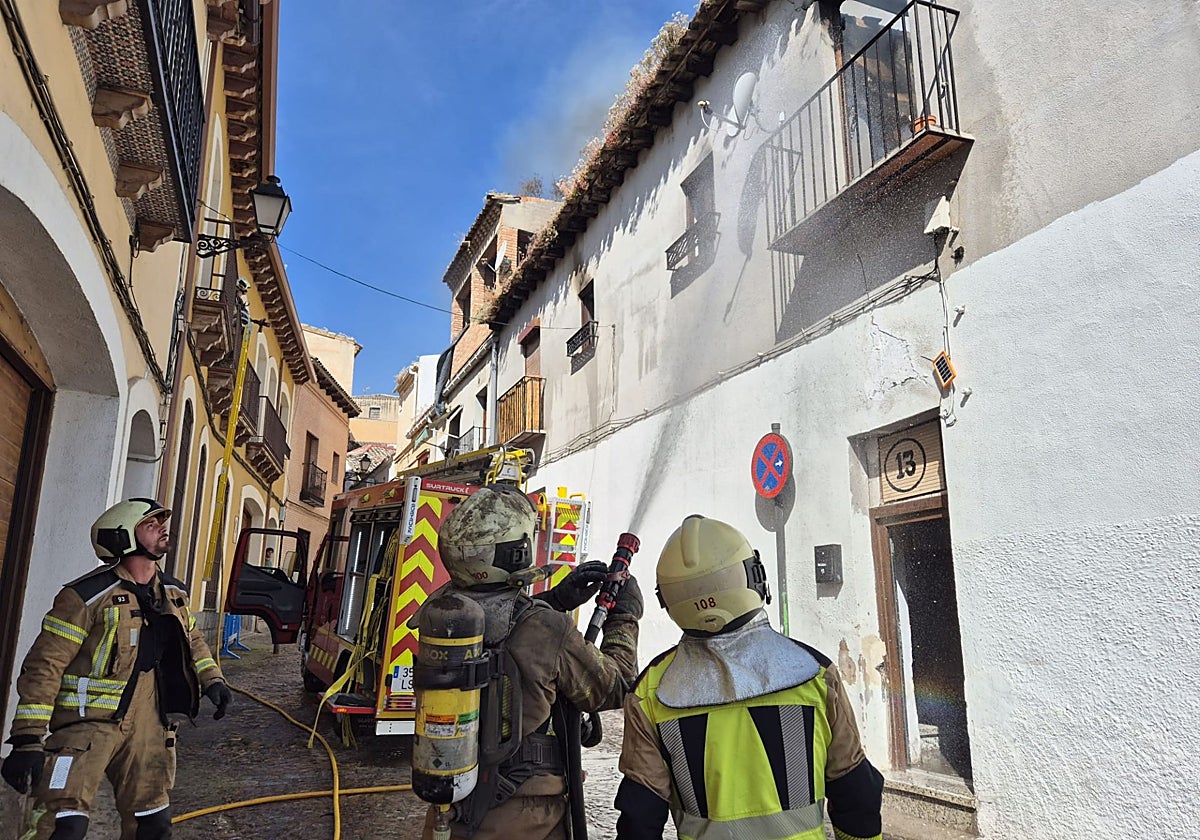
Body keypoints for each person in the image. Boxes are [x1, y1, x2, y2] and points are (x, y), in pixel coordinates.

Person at [614, 515, 884, 840]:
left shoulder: (651, 693)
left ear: (668, 601)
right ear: (754, 578)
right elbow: (858, 797)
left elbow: (639, 820)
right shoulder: (814, 675)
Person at [418, 484, 642, 840]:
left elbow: (506, 629)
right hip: (526, 814)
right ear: (517, 552)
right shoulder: (545, 627)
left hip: (457, 806)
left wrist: (555, 599)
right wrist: (625, 617)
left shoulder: (443, 614)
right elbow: (613, 688)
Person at [0, 498, 233, 840]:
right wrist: (27, 738)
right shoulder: (86, 596)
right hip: (85, 728)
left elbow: (193, 639)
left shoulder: (173, 593)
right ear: (123, 536)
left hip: (150, 727)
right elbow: (45, 665)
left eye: (162, 523)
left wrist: (213, 680)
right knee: (63, 825)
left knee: (152, 823)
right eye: (151, 525)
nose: (163, 530)